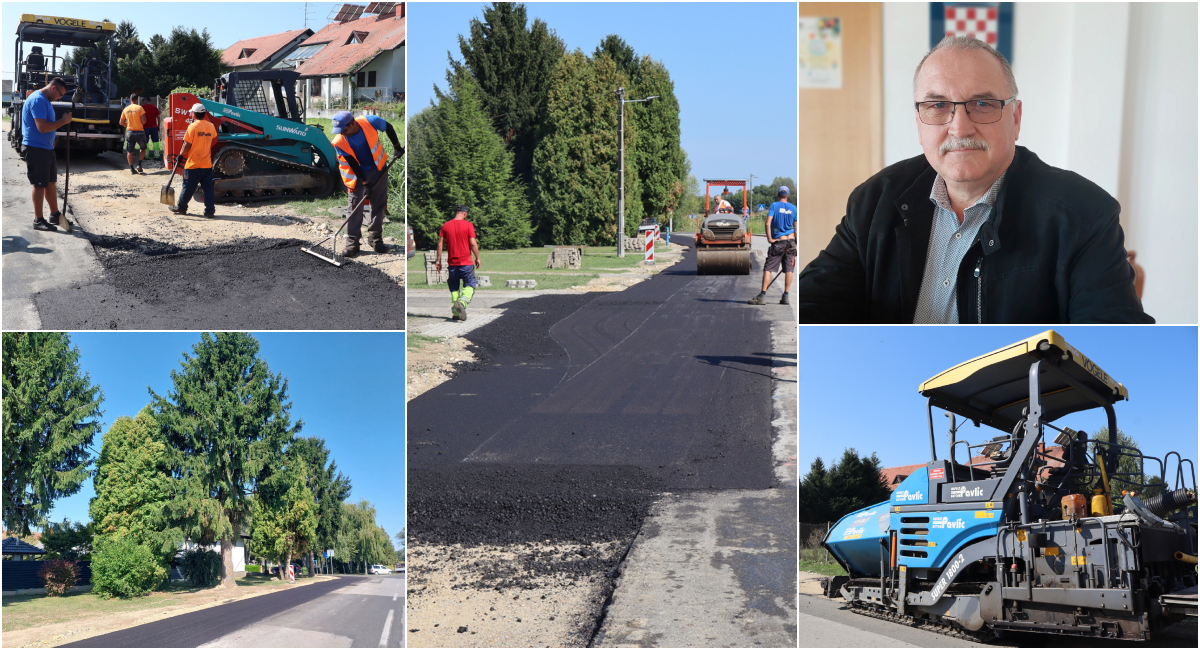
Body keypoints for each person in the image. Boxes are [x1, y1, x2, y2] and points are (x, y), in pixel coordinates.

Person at [793, 36, 1151, 324]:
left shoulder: (1085, 214)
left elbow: (1114, 342)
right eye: (937, 106)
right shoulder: (875, 200)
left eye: (982, 103)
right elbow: (817, 301)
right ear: (918, 122)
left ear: (1016, 117)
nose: (960, 127)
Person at [329, 110, 405, 257]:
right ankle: (352, 242)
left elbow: (388, 126)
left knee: (379, 202)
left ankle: (375, 238)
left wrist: (396, 146)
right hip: (355, 174)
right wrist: (365, 184)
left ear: (352, 123)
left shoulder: (370, 121)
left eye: (344, 129)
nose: (342, 133)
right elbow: (353, 164)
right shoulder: (339, 141)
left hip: (378, 168)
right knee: (355, 205)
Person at [21, 78, 72, 232]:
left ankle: (54, 214)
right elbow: (42, 127)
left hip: (46, 148)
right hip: (36, 148)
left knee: (50, 182)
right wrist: (63, 121)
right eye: (60, 94)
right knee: (39, 184)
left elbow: (46, 126)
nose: (60, 97)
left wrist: (52, 140)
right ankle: (38, 219)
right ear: (53, 87)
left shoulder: (44, 100)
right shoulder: (37, 99)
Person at [748, 186, 797, 305]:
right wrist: (797, 244)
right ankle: (785, 296)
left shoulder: (774, 206)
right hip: (791, 242)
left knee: (768, 269)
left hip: (778, 242)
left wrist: (770, 238)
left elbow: (767, 223)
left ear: (778, 194)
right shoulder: (794, 208)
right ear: (788, 195)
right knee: (789, 270)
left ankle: (762, 296)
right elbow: (796, 227)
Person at [168, 103, 217, 218]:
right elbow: (213, 139)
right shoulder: (211, 126)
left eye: (191, 112)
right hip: (206, 164)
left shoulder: (192, 126)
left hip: (193, 164)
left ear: (194, 114)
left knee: (188, 187)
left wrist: (180, 155)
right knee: (208, 188)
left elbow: (187, 144)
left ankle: (181, 208)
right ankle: (210, 211)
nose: (190, 114)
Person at [434, 205, 482, 321]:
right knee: (470, 285)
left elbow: (440, 245)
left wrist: (438, 260)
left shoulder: (446, 226)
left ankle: (455, 312)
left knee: (454, 287)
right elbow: (473, 243)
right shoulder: (468, 225)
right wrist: (477, 257)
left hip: (452, 264)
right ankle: (462, 302)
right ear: (465, 213)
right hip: (466, 263)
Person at [119, 93, 148, 174]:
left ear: (130, 100)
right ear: (136, 100)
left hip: (130, 132)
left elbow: (121, 122)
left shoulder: (125, 109)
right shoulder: (140, 108)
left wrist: (128, 124)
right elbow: (144, 121)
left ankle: (131, 168)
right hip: (140, 132)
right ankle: (139, 164)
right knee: (142, 149)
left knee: (129, 151)